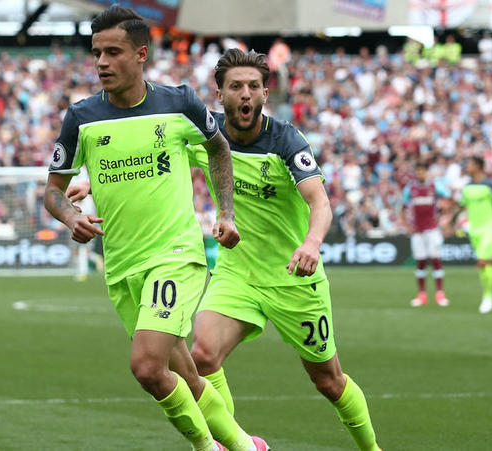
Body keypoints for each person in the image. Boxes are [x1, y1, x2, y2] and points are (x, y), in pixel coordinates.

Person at [43, 6, 266, 451]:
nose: (102, 62)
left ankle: (209, 448)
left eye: (113, 52)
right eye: (96, 53)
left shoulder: (178, 103)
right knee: (182, 373)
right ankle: (245, 445)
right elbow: (52, 190)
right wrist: (71, 217)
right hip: (123, 267)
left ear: (141, 54)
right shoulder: (82, 118)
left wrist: (226, 213)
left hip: (176, 256)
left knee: (146, 367)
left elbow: (219, 149)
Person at [188, 48, 381, 451]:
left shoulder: (286, 139)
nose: (246, 94)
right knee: (202, 357)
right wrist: (89, 180)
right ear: (219, 94)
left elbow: (320, 203)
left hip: (295, 278)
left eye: (254, 87)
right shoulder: (206, 135)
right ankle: (237, 443)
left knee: (328, 381)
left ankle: (371, 449)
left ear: (265, 93)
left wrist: (311, 243)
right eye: (236, 87)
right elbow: (154, 152)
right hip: (237, 272)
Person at [456, 156, 492, 314]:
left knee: (484, 260)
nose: (467, 166)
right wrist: (451, 221)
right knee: (486, 265)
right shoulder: (466, 188)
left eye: (470, 164)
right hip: (475, 229)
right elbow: (462, 206)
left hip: (490, 227)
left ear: (479, 167)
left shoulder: (489, 186)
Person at [402, 161, 451, 307]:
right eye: (417, 171)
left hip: (432, 230)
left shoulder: (434, 186)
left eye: (422, 171)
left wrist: (443, 218)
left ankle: (440, 293)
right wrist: (407, 225)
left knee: (436, 260)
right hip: (417, 231)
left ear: (426, 172)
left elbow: (449, 199)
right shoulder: (410, 188)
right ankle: (422, 295)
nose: (420, 174)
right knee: (421, 262)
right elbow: (402, 207)